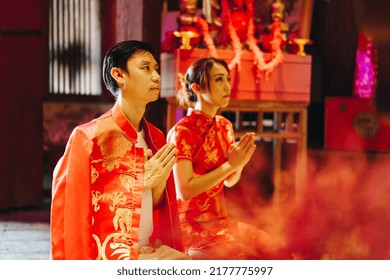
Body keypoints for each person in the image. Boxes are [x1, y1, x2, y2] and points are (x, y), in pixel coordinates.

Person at [50, 40, 189, 260]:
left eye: (156, 69)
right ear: (119, 74)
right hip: (110, 256)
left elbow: (156, 205)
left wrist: (158, 183)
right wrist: (142, 180)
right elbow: (71, 210)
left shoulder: (156, 136)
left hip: (149, 248)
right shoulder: (89, 137)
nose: (156, 77)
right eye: (145, 68)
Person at [167, 57, 291, 259]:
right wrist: (231, 164)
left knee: (278, 253)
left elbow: (230, 181)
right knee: (242, 259)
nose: (226, 86)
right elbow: (185, 190)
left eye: (227, 79)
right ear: (197, 88)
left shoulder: (224, 126)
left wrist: (239, 165)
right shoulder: (182, 131)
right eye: (218, 80)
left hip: (220, 220)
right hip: (191, 227)